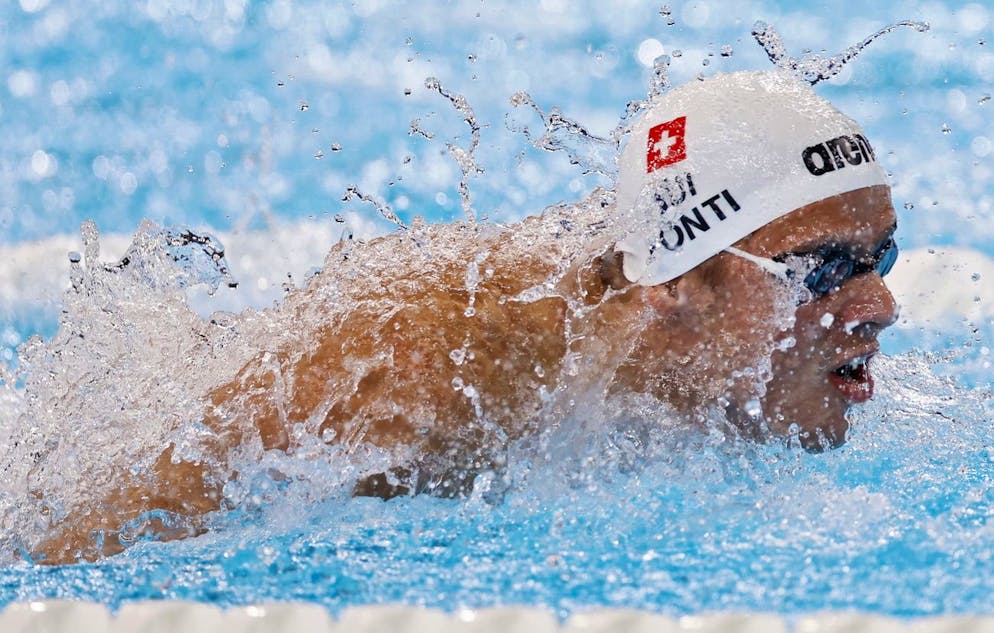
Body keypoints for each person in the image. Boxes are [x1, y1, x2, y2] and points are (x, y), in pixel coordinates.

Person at [32, 69, 898, 564]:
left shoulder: (722, 358)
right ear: (672, 283)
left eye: (879, 257)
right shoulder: (433, 377)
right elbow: (87, 542)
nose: (881, 306)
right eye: (820, 269)